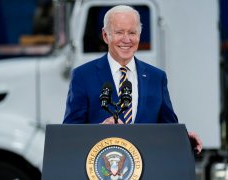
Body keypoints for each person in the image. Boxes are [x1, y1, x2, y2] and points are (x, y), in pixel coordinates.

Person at [63, 5, 202, 153]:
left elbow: (168, 127)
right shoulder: (83, 76)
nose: (126, 39)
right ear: (105, 35)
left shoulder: (157, 77)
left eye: (132, 33)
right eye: (119, 32)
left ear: (139, 36)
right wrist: (99, 131)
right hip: (102, 168)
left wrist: (183, 138)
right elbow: (69, 134)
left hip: (148, 169)